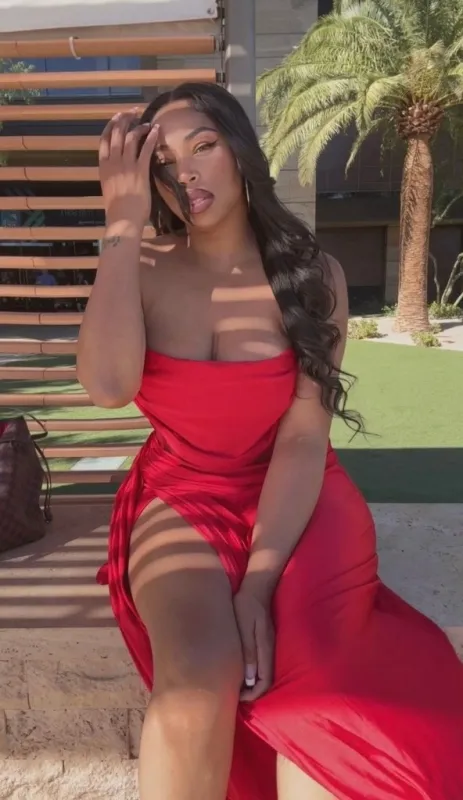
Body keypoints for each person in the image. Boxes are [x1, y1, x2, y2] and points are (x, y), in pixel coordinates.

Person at [77, 83, 463, 800]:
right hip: (181, 494)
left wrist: (258, 582)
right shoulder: (142, 265)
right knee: (195, 688)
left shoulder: (313, 274)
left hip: (302, 494)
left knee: (314, 701)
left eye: (203, 147)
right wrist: (121, 226)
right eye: (162, 164)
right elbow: (106, 385)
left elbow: (303, 436)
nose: (185, 174)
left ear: (240, 151)